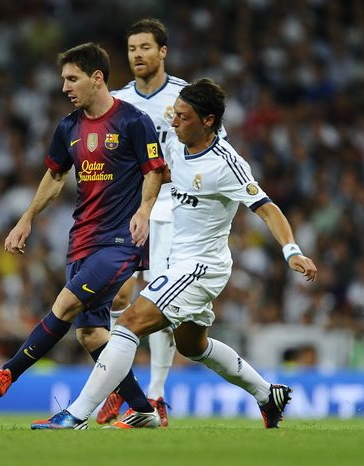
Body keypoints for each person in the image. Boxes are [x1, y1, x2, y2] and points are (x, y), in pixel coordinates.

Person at [31, 78, 317, 430]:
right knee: (193, 346)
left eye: (183, 116)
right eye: (174, 114)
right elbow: (159, 175)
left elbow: (268, 208)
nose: (174, 122)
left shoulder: (226, 163)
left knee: (129, 324)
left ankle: (77, 414)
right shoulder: (177, 148)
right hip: (179, 262)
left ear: (208, 121)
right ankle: (266, 394)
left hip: (200, 267)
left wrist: (291, 251)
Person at [0, 42, 167, 429]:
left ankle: (9, 373)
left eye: (72, 79)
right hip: (81, 240)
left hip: (120, 241)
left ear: (97, 78)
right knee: (92, 335)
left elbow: (154, 170)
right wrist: (27, 217)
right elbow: (55, 175)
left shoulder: (133, 121)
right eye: (63, 79)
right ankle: (142, 409)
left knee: (64, 305)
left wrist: (145, 210)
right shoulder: (68, 127)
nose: (64, 87)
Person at [97, 18, 227, 427]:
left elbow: (213, 149)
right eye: (132, 48)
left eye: (145, 47)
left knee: (161, 302)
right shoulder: (118, 101)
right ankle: (124, 387)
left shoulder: (184, 98)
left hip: (173, 210)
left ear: (162, 51)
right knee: (117, 297)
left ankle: (155, 395)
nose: (137, 55)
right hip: (129, 209)